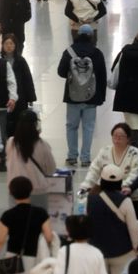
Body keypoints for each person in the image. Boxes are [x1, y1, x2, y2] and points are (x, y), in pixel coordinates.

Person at [57, 23, 107, 168]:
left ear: (78, 35)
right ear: (92, 36)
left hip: (72, 96)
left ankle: (72, 156)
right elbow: (102, 76)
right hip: (91, 96)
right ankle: (85, 158)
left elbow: (61, 72)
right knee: (88, 127)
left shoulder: (69, 52)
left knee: (71, 126)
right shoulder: (97, 53)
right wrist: (101, 97)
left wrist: (74, 74)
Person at [81, 122, 138, 217]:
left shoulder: (134, 153)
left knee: (133, 222)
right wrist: (86, 185)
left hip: (127, 195)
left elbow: (135, 174)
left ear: (128, 138)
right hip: (104, 195)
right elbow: (94, 170)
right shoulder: (105, 151)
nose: (117, 139)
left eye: (121, 136)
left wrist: (118, 188)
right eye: (115, 136)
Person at [4, 108, 56, 201]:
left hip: (15, 190)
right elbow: (51, 170)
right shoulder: (42, 145)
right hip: (38, 190)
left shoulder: (11, 143)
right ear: (36, 125)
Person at [0, 32, 37, 138]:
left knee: (19, 122)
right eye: (6, 43)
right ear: (2, 45)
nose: (9, 46)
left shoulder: (20, 61)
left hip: (20, 98)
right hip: (4, 97)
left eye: (11, 43)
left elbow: (27, 80)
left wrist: (30, 98)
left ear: (15, 45)